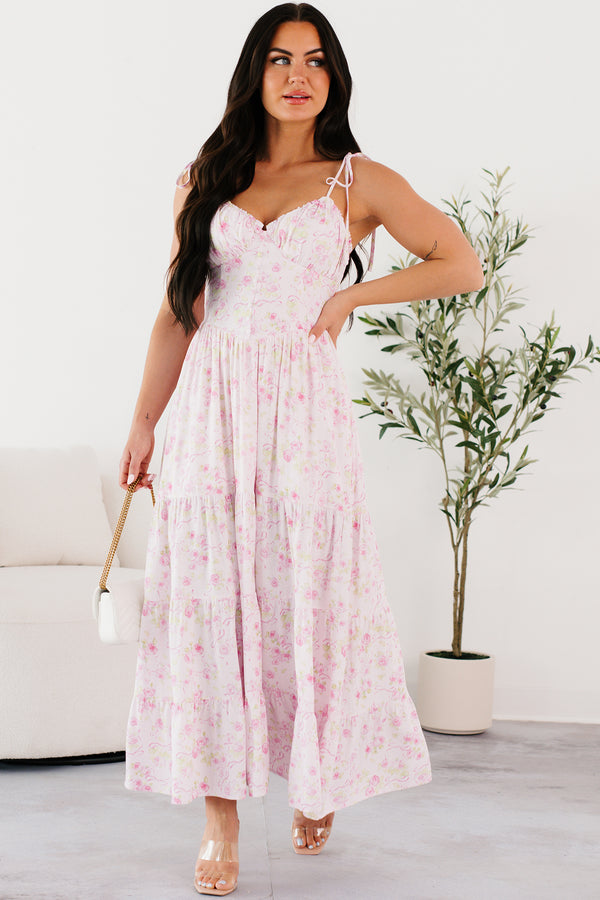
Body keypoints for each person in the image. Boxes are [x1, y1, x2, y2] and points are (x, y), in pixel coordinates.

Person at [119, 3, 483, 896]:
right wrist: (144, 421)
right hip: (212, 416)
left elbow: (461, 262)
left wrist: (351, 299)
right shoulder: (207, 177)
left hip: (305, 424)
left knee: (306, 599)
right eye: (281, 59)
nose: (298, 76)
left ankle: (315, 778)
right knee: (212, 605)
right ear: (256, 72)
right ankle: (220, 816)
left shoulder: (357, 181)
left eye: (316, 61)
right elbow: (179, 313)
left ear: (334, 77)